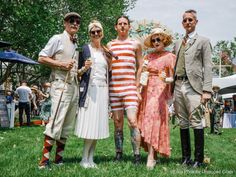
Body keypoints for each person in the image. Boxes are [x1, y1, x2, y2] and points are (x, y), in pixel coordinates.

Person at [38, 12, 81, 169]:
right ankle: (44, 162)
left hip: (73, 86)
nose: (75, 23)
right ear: (65, 23)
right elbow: (41, 57)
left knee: (67, 124)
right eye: (71, 20)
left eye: (77, 21)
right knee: (56, 121)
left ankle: (59, 160)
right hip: (60, 85)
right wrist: (61, 65)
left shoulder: (75, 42)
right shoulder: (57, 38)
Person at [173, 9, 212, 168]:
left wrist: (207, 90)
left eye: (190, 20)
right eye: (185, 20)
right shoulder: (177, 43)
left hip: (194, 86)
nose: (187, 22)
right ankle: (185, 158)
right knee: (182, 122)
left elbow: (208, 66)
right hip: (177, 85)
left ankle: (198, 159)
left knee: (196, 121)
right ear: (182, 23)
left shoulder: (203, 41)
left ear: (196, 22)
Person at [137, 27, 176, 169]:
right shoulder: (148, 57)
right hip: (147, 90)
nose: (155, 42)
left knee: (155, 121)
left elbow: (174, 78)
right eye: (153, 40)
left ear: (164, 40)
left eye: (158, 39)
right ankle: (152, 154)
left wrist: (167, 80)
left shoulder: (170, 57)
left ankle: (151, 156)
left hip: (160, 92)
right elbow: (142, 73)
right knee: (148, 120)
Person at [74, 20, 110, 168]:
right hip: (90, 91)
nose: (96, 34)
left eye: (98, 31)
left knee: (97, 126)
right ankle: (84, 158)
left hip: (103, 91)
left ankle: (91, 158)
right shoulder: (85, 49)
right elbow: (76, 73)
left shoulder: (105, 50)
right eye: (92, 32)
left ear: (102, 33)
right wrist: (84, 68)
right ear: (89, 34)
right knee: (90, 126)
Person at [107, 15, 143, 164]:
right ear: (116, 27)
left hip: (130, 89)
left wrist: (136, 86)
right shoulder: (109, 45)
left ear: (129, 27)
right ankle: (119, 153)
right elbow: (108, 67)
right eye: (120, 24)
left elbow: (140, 65)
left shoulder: (135, 44)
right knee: (117, 122)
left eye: (125, 24)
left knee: (133, 122)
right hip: (114, 89)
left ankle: (137, 154)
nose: (122, 26)